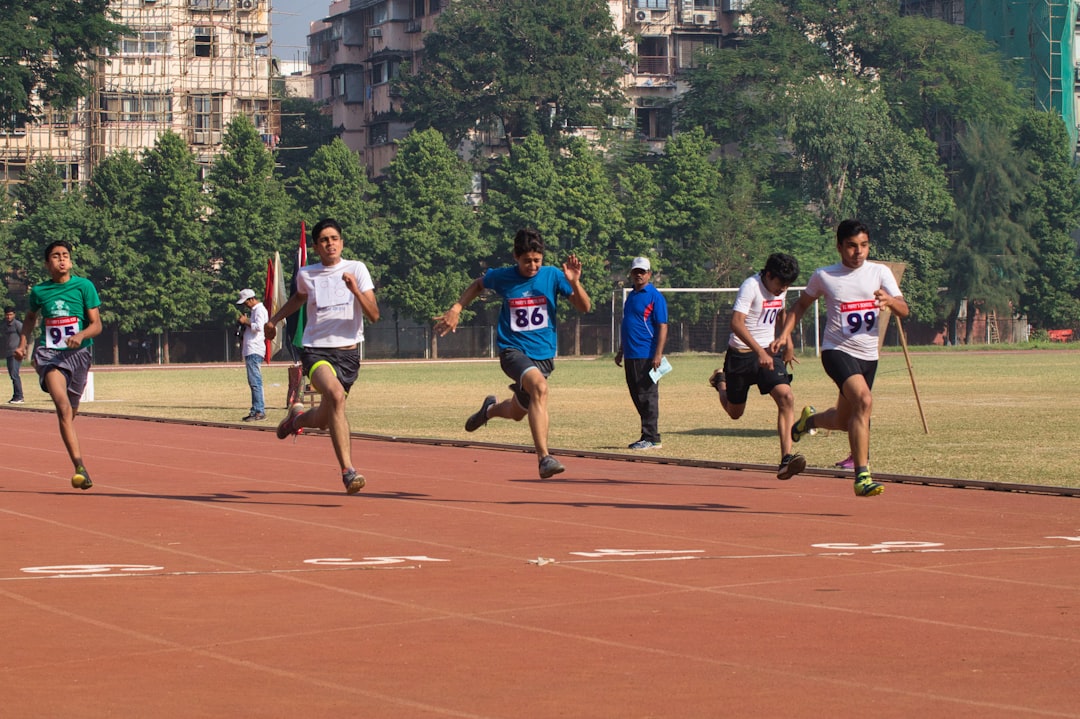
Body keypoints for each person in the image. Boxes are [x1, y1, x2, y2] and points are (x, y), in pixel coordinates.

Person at [433, 228, 592, 479]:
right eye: (526, 261)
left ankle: (489, 411)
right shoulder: (502, 276)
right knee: (539, 387)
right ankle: (544, 458)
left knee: (519, 412)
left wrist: (574, 281)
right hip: (512, 351)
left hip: (544, 355)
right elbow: (477, 285)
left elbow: (584, 306)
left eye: (537, 261)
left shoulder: (552, 276)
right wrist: (457, 307)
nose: (532, 266)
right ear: (515, 257)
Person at [773, 219, 908, 497]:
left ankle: (807, 422)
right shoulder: (825, 275)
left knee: (845, 420)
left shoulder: (880, 272)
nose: (858, 252)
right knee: (864, 401)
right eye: (851, 246)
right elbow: (800, 306)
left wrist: (890, 302)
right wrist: (786, 335)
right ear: (839, 247)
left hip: (869, 355)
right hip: (837, 351)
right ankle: (862, 476)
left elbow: (904, 309)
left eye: (864, 245)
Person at [264, 218, 379, 494]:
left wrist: (354, 290)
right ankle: (348, 471)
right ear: (316, 246)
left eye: (335, 238)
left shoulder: (357, 270)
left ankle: (297, 419)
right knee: (337, 396)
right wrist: (274, 320)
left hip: (348, 356)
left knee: (323, 420)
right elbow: (298, 299)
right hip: (316, 351)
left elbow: (374, 315)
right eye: (324, 240)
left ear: (342, 242)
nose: (330, 244)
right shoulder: (307, 274)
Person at [708, 252, 806, 480]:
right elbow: (736, 323)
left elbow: (782, 314)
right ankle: (720, 381)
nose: (783, 289)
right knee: (735, 413)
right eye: (780, 283)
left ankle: (786, 459)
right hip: (740, 357)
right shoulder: (750, 287)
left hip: (769, 355)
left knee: (786, 397)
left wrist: (788, 341)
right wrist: (758, 351)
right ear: (768, 275)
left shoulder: (780, 288)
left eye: (788, 285)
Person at [14, 240, 103, 490]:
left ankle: (76, 457)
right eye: (55, 256)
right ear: (47, 263)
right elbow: (30, 318)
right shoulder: (39, 291)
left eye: (65, 255)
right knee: (63, 408)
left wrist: (82, 335)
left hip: (79, 355)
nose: (61, 259)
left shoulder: (84, 286)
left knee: (71, 412)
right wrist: (23, 346)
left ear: (71, 261)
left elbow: (97, 324)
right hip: (49, 354)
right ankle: (80, 467)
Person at [614, 257, 668, 450]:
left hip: (646, 354)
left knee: (647, 395)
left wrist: (658, 354)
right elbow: (628, 324)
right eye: (636, 271)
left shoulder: (655, 296)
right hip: (631, 353)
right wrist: (621, 350)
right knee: (637, 395)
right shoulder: (632, 296)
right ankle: (648, 434)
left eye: (642, 272)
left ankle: (652, 437)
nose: (639, 275)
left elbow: (662, 326)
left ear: (649, 274)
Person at [236, 288, 268, 421]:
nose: (245, 305)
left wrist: (246, 322)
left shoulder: (260, 310)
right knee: (253, 381)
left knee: (255, 382)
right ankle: (255, 410)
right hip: (250, 349)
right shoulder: (254, 311)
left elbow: (260, 327)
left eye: (245, 302)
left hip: (255, 348)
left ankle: (259, 411)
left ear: (251, 299)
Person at [3, 306, 24, 403]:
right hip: (8, 353)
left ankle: (19, 396)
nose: (8, 316)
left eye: (10, 314)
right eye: (7, 314)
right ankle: (16, 395)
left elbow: (24, 336)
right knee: (12, 375)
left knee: (15, 374)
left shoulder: (17, 325)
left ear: (14, 315)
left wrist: (23, 349)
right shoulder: (4, 325)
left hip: (16, 353)